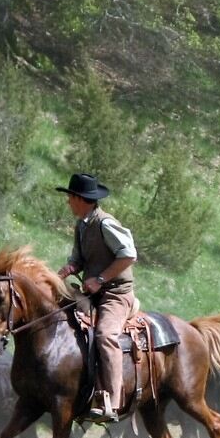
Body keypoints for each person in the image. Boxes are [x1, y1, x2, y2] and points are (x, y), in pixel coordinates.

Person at [56, 173, 137, 421]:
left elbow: (128, 255)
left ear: (81, 199)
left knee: (105, 335)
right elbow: (79, 258)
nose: (68, 202)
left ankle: (113, 400)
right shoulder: (81, 224)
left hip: (115, 295)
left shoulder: (105, 223)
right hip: (93, 293)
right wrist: (71, 268)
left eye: (70, 197)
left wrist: (100, 279)